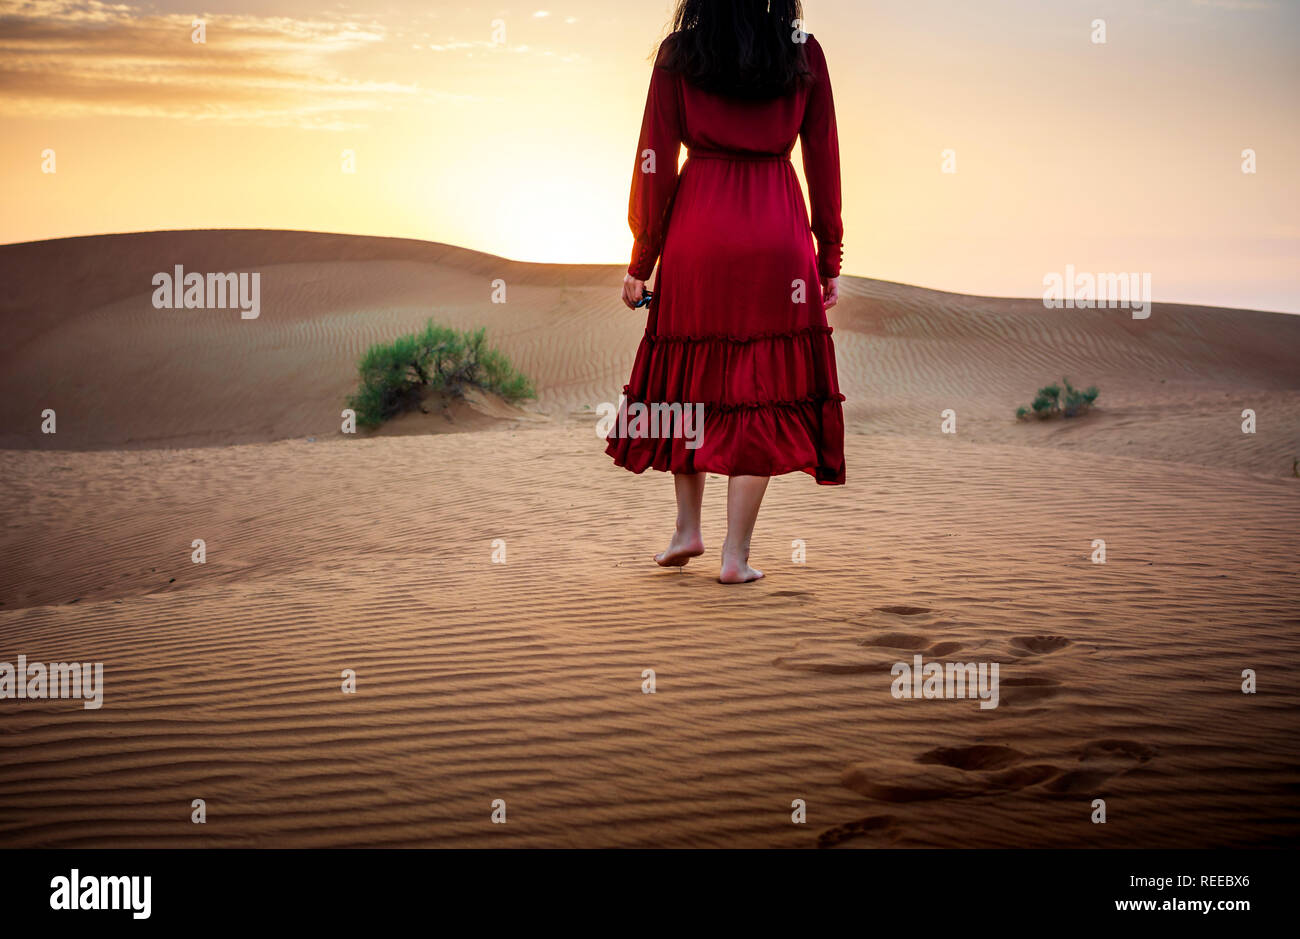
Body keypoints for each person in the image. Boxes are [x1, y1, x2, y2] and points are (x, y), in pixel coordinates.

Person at [606, 0, 846, 584]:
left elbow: (655, 160)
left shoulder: (680, 55)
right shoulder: (802, 51)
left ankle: (688, 528)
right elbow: (824, 159)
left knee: (687, 383)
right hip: (777, 230)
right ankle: (735, 557)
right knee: (759, 390)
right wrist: (827, 254)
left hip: (699, 234)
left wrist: (643, 257)